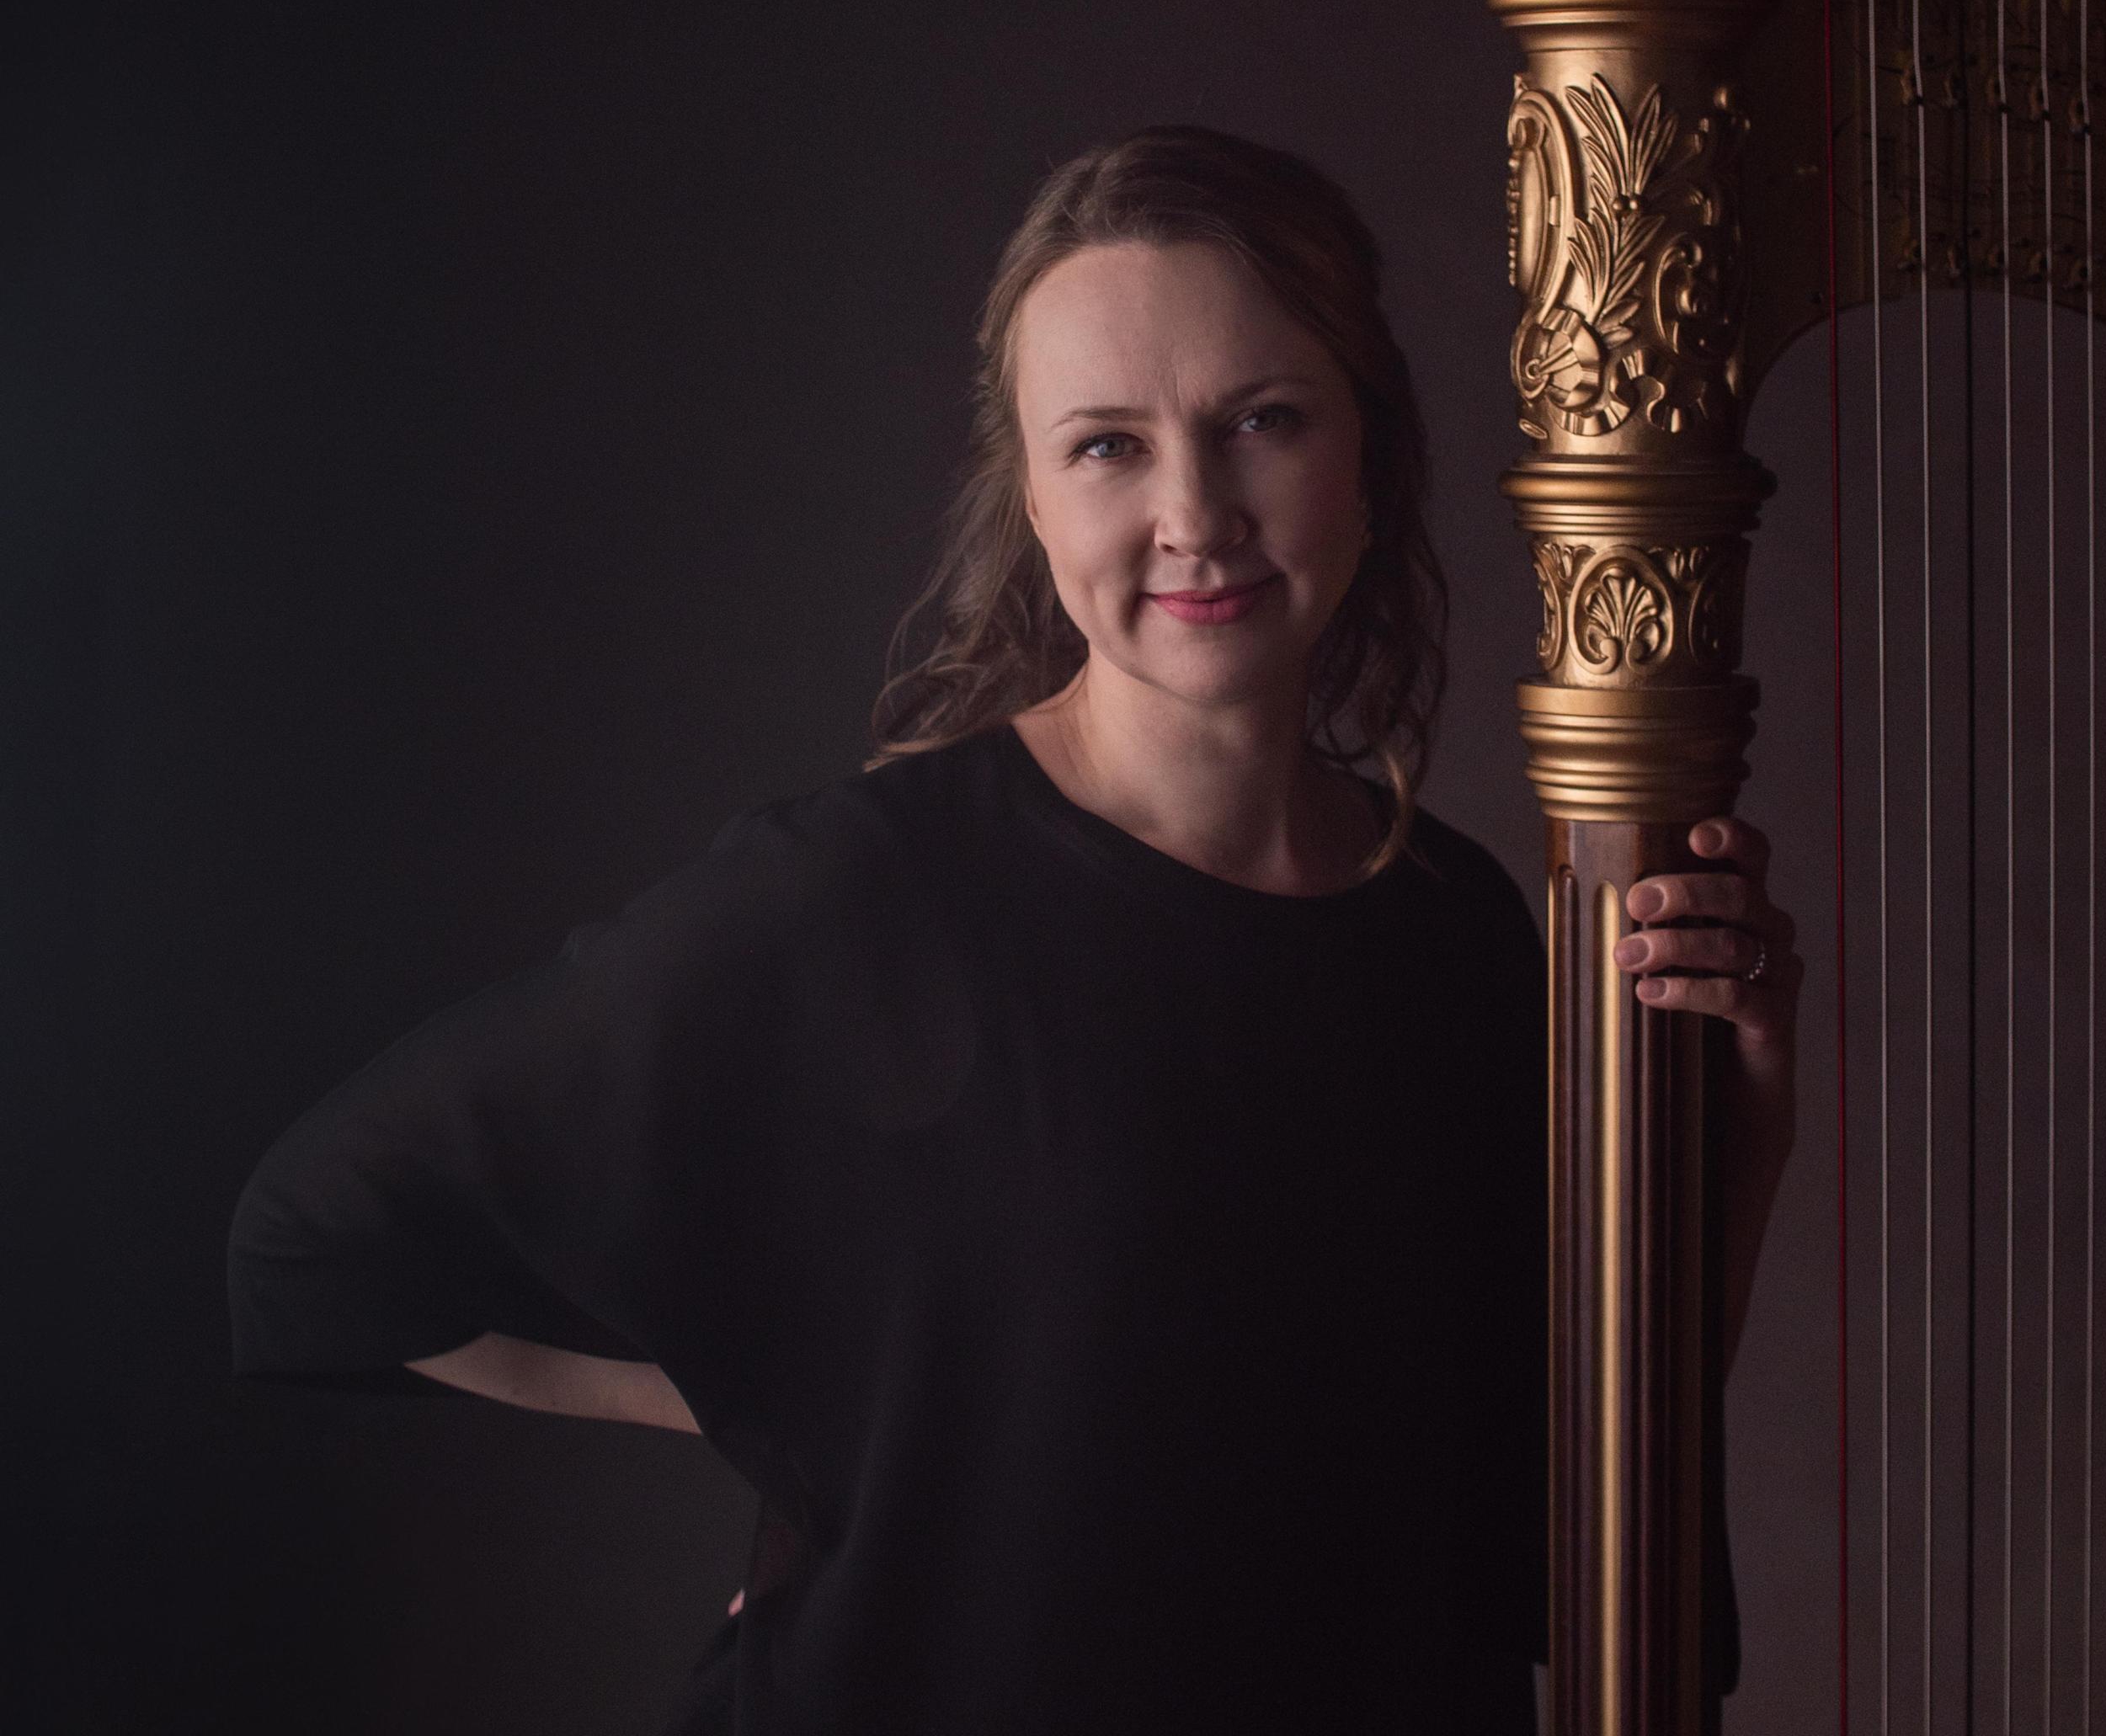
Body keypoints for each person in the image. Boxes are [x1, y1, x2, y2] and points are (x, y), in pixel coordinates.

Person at [227, 125, 1801, 1733]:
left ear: (1370, 452)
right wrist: (819, 1428)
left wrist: (1740, 1145)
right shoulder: (863, 899)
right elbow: (316, 1245)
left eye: (1262, 420)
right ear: (1034, 500)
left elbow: (1552, 1489)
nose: (1195, 512)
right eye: (1109, 446)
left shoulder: (1455, 928)